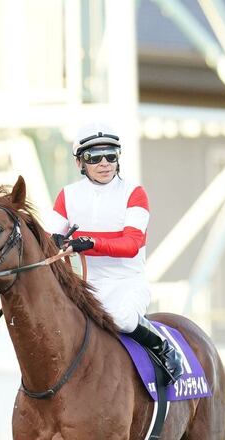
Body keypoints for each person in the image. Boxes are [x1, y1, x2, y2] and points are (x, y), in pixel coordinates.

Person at [46, 121, 182, 385]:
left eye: (111, 155)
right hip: (85, 287)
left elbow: (131, 245)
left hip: (127, 284)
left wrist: (89, 242)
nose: (104, 162)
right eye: (94, 157)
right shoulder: (68, 195)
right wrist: (57, 241)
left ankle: (163, 348)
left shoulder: (134, 193)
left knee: (121, 319)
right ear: (80, 163)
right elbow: (50, 239)